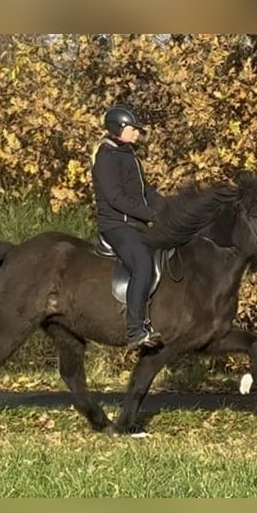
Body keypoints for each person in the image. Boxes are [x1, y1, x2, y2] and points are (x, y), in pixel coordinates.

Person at [90, 105, 166, 350]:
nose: (137, 134)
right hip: (116, 226)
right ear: (119, 129)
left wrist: (167, 208)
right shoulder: (106, 156)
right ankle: (135, 331)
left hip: (135, 223)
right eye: (133, 129)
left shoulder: (129, 155)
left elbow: (143, 192)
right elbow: (116, 198)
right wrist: (150, 214)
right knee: (142, 265)